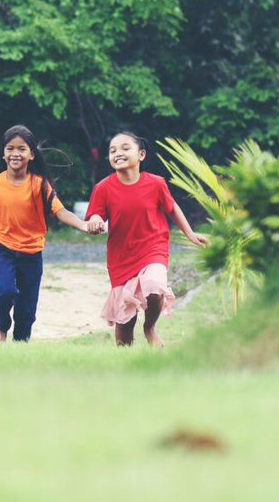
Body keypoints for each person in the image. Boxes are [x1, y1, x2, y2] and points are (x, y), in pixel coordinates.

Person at [84, 132, 209, 348]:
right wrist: (95, 220)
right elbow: (95, 215)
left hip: (153, 248)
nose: (118, 153)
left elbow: (172, 208)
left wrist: (190, 233)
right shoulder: (103, 188)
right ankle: (125, 357)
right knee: (125, 320)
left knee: (154, 286)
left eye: (125, 148)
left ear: (141, 155)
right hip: (121, 257)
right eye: (112, 150)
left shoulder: (156, 183)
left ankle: (149, 327)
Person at [0, 124, 90, 342]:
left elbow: (60, 211)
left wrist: (83, 225)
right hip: (2, 247)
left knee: (26, 310)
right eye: (10, 148)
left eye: (22, 149)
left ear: (32, 154)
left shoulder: (39, 185)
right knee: (5, 290)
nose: (15, 153)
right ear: (3, 153)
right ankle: (2, 327)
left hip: (32, 252)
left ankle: (20, 346)